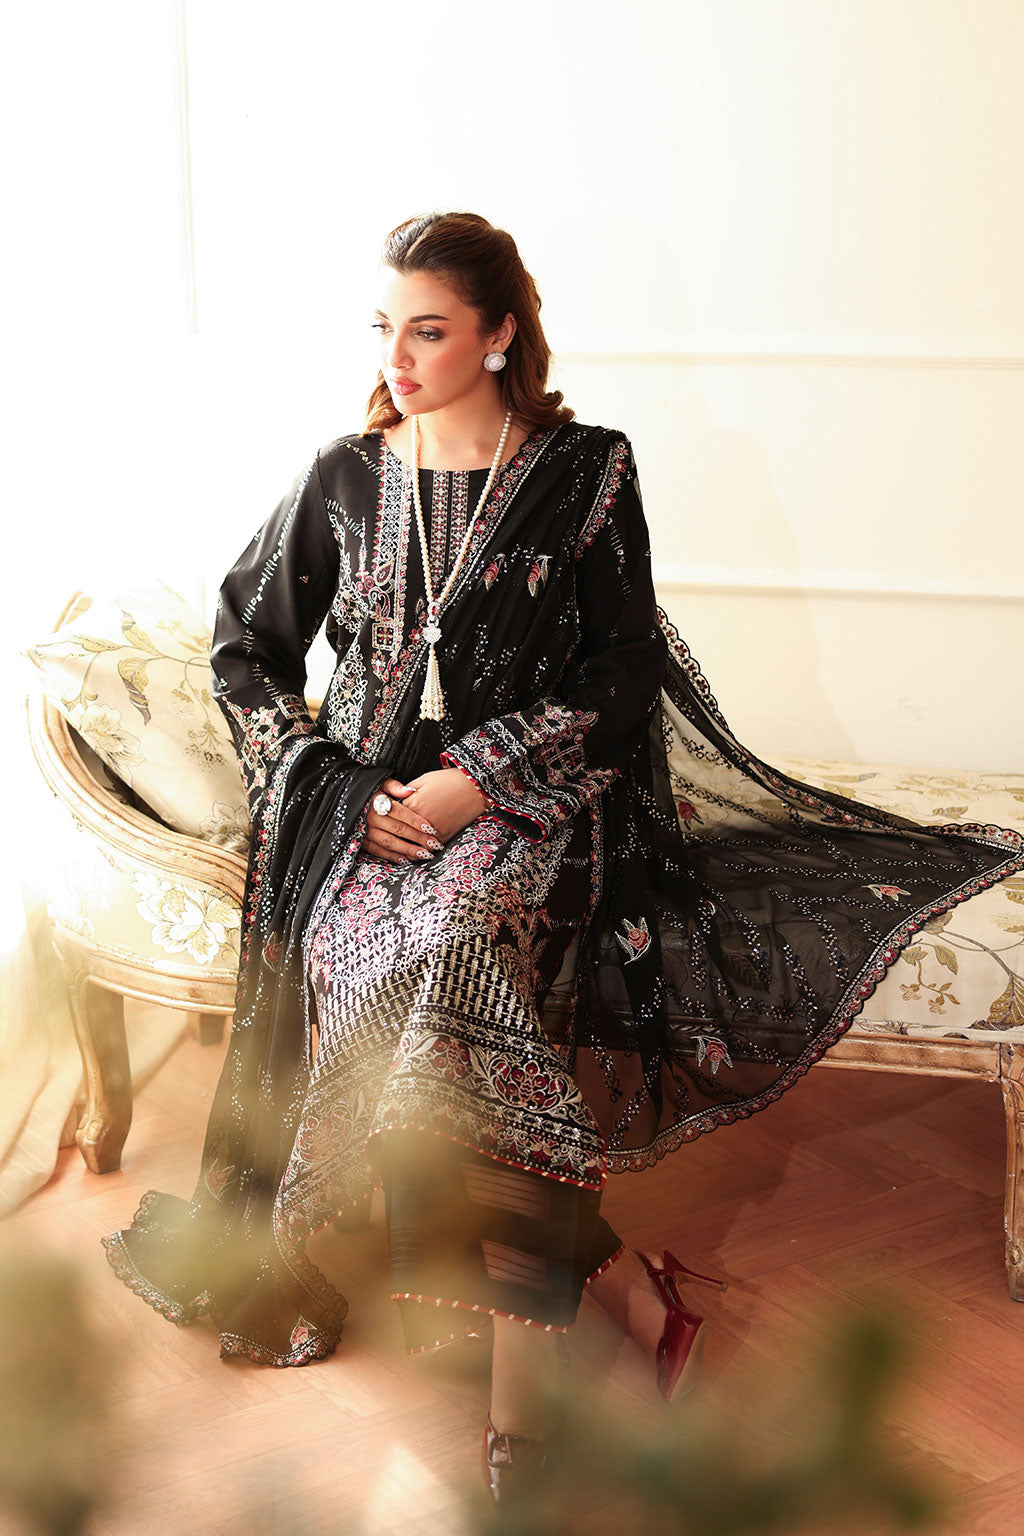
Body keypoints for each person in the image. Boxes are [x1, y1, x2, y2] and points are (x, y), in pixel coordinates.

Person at [102, 212, 1024, 1503]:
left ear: (498, 334)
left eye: (429, 330)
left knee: (457, 951)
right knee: (414, 971)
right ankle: (618, 1290)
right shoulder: (343, 477)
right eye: (384, 329)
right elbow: (244, 648)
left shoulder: (586, 469)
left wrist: (475, 782)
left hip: (531, 803)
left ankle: (520, 1385)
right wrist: (341, 792)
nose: (398, 357)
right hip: (366, 817)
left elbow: (621, 669)